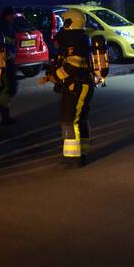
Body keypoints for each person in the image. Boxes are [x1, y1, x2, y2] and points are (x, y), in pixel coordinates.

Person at [41, 9, 103, 168]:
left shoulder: (73, 40)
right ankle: (81, 153)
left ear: (70, 22)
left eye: (64, 22)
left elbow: (73, 65)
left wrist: (55, 77)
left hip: (76, 86)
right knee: (80, 119)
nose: (62, 25)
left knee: (69, 120)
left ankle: (72, 159)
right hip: (82, 85)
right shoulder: (81, 38)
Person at [0, 7, 19, 126]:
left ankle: (5, 118)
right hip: (5, 62)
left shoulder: (3, 25)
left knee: (5, 90)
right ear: (8, 15)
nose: (14, 17)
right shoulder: (4, 26)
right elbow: (5, 42)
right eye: (12, 15)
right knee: (9, 88)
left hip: (5, 61)